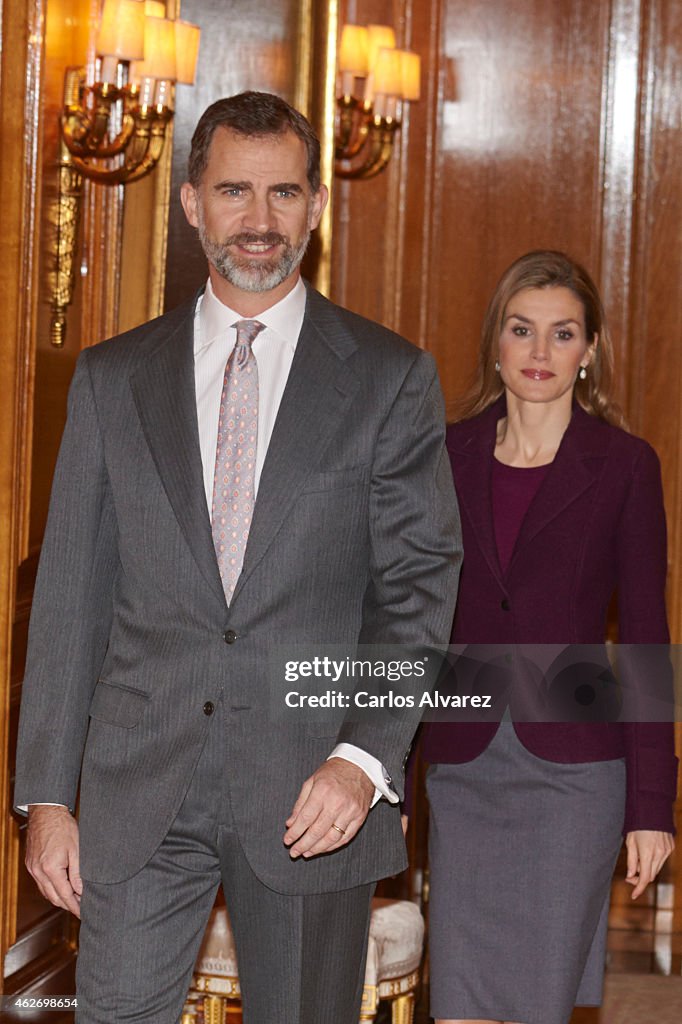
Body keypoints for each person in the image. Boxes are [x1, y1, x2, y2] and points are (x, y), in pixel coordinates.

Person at [14, 91, 461, 1024]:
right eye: (234, 191)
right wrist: (47, 798)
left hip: (314, 791)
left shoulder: (389, 378)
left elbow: (416, 590)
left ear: (316, 206)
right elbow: (69, 601)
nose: (260, 222)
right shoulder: (110, 379)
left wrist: (362, 757)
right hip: (137, 792)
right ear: (191, 203)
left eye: (284, 193)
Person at [417, 250, 677, 1024]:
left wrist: (653, 805)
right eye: (522, 330)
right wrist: (383, 763)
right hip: (461, 772)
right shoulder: (442, 457)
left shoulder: (626, 465)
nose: (539, 353)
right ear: (495, 342)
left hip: (573, 778)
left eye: (562, 334)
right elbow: (408, 615)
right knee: (459, 1002)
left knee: (537, 1006)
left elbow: (645, 640)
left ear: (588, 349)